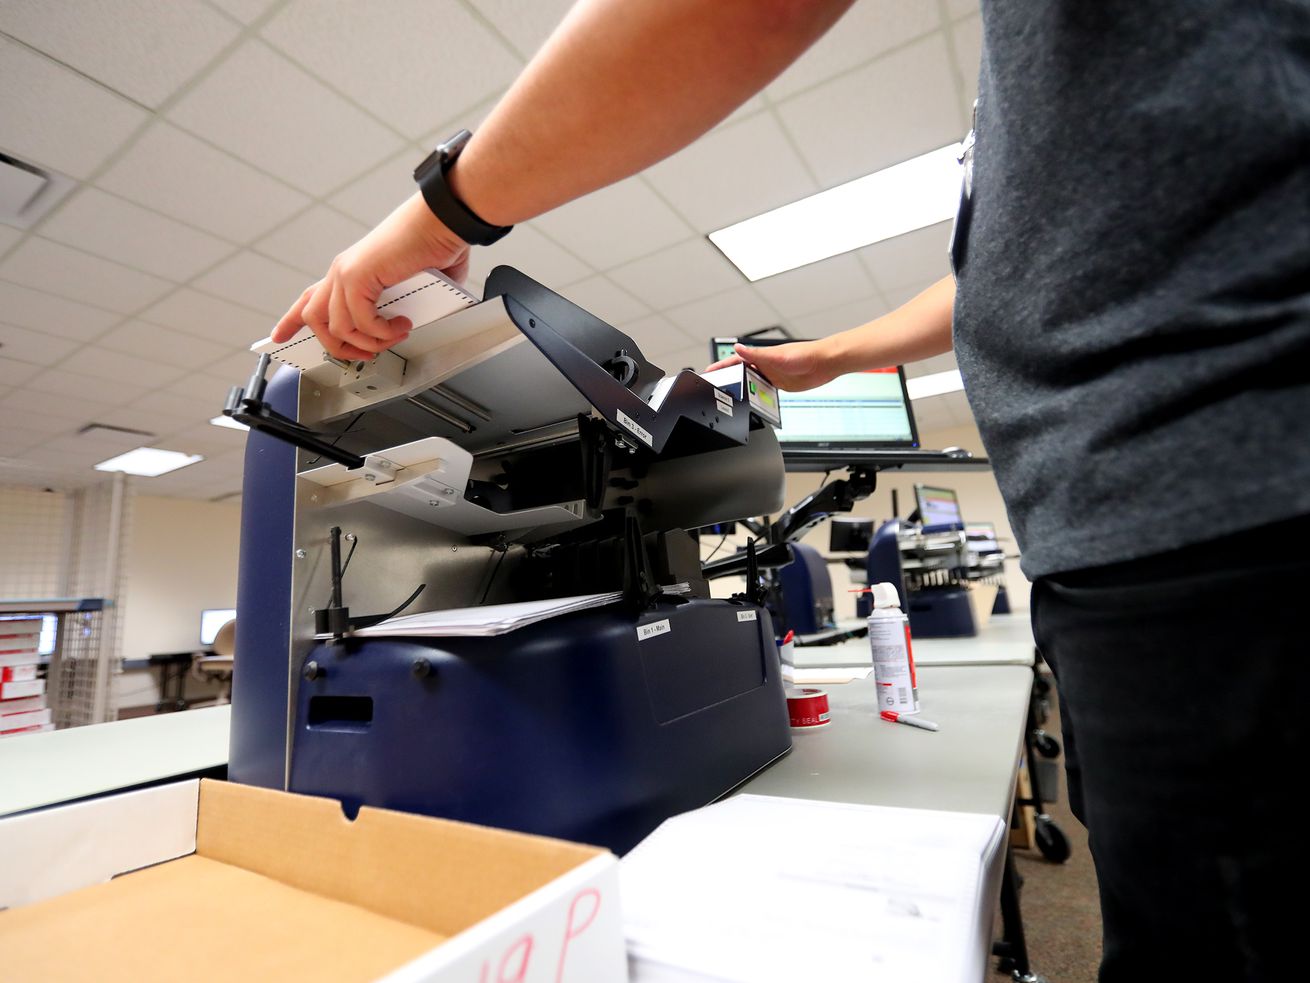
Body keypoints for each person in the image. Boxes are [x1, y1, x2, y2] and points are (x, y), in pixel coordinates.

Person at [272, 1, 1310, 978]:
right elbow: (1042, 242)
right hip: (1156, 520)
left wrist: (442, 209)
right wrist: (838, 353)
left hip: (1224, 493)